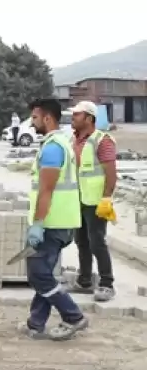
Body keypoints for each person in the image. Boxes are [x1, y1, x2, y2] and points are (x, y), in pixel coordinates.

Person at [21, 98, 88, 341]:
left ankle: (73, 316)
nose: (32, 122)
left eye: (35, 117)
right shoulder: (61, 143)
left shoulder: (52, 148)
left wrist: (38, 223)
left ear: (48, 118)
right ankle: (36, 323)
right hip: (61, 220)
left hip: (52, 223)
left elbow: (47, 189)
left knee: (39, 274)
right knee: (45, 272)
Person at [68, 101, 117, 302]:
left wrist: (106, 198)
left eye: (76, 115)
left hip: (96, 200)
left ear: (89, 118)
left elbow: (111, 174)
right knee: (81, 241)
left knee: (97, 241)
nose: (72, 118)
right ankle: (85, 280)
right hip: (78, 199)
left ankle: (107, 284)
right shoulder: (74, 140)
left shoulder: (102, 140)